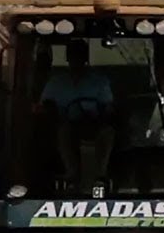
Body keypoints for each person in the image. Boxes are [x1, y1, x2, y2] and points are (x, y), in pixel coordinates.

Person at [39, 40, 115, 193]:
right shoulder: (57, 82)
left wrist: (99, 117)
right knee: (63, 132)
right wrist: (53, 115)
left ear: (86, 58)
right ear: (68, 58)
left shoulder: (99, 81)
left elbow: (108, 107)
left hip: (95, 124)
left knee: (108, 132)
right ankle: (71, 176)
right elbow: (45, 105)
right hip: (66, 123)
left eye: (80, 56)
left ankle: (100, 176)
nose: (77, 60)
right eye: (73, 56)